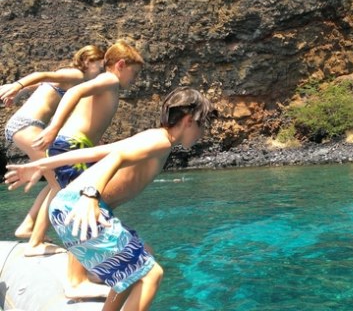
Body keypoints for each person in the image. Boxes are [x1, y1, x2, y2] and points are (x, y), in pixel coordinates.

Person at [4, 87, 217, 311]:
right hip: (81, 206)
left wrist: (41, 164)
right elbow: (117, 156)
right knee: (151, 275)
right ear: (188, 120)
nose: (203, 133)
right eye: (203, 125)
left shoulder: (153, 137)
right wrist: (91, 195)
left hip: (67, 205)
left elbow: (101, 151)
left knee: (143, 256)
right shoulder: (161, 141)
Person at [29, 39, 145, 299]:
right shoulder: (110, 80)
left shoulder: (110, 85)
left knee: (81, 204)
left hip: (75, 147)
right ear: (121, 65)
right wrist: (53, 127)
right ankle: (75, 280)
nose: (135, 80)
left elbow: (90, 118)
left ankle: (80, 270)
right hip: (71, 147)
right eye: (134, 73)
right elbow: (73, 92)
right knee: (81, 207)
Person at [0, 45, 105, 256]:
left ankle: (29, 224)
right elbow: (41, 74)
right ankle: (35, 241)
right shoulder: (75, 74)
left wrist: (19, 90)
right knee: (59, 183)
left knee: (54, 180)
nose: (102, 71)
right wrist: (16, 85)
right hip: (27, 126)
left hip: (24, 125)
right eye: (100, 65)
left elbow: (40, 83)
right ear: (87, 61)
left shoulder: (70, 77)